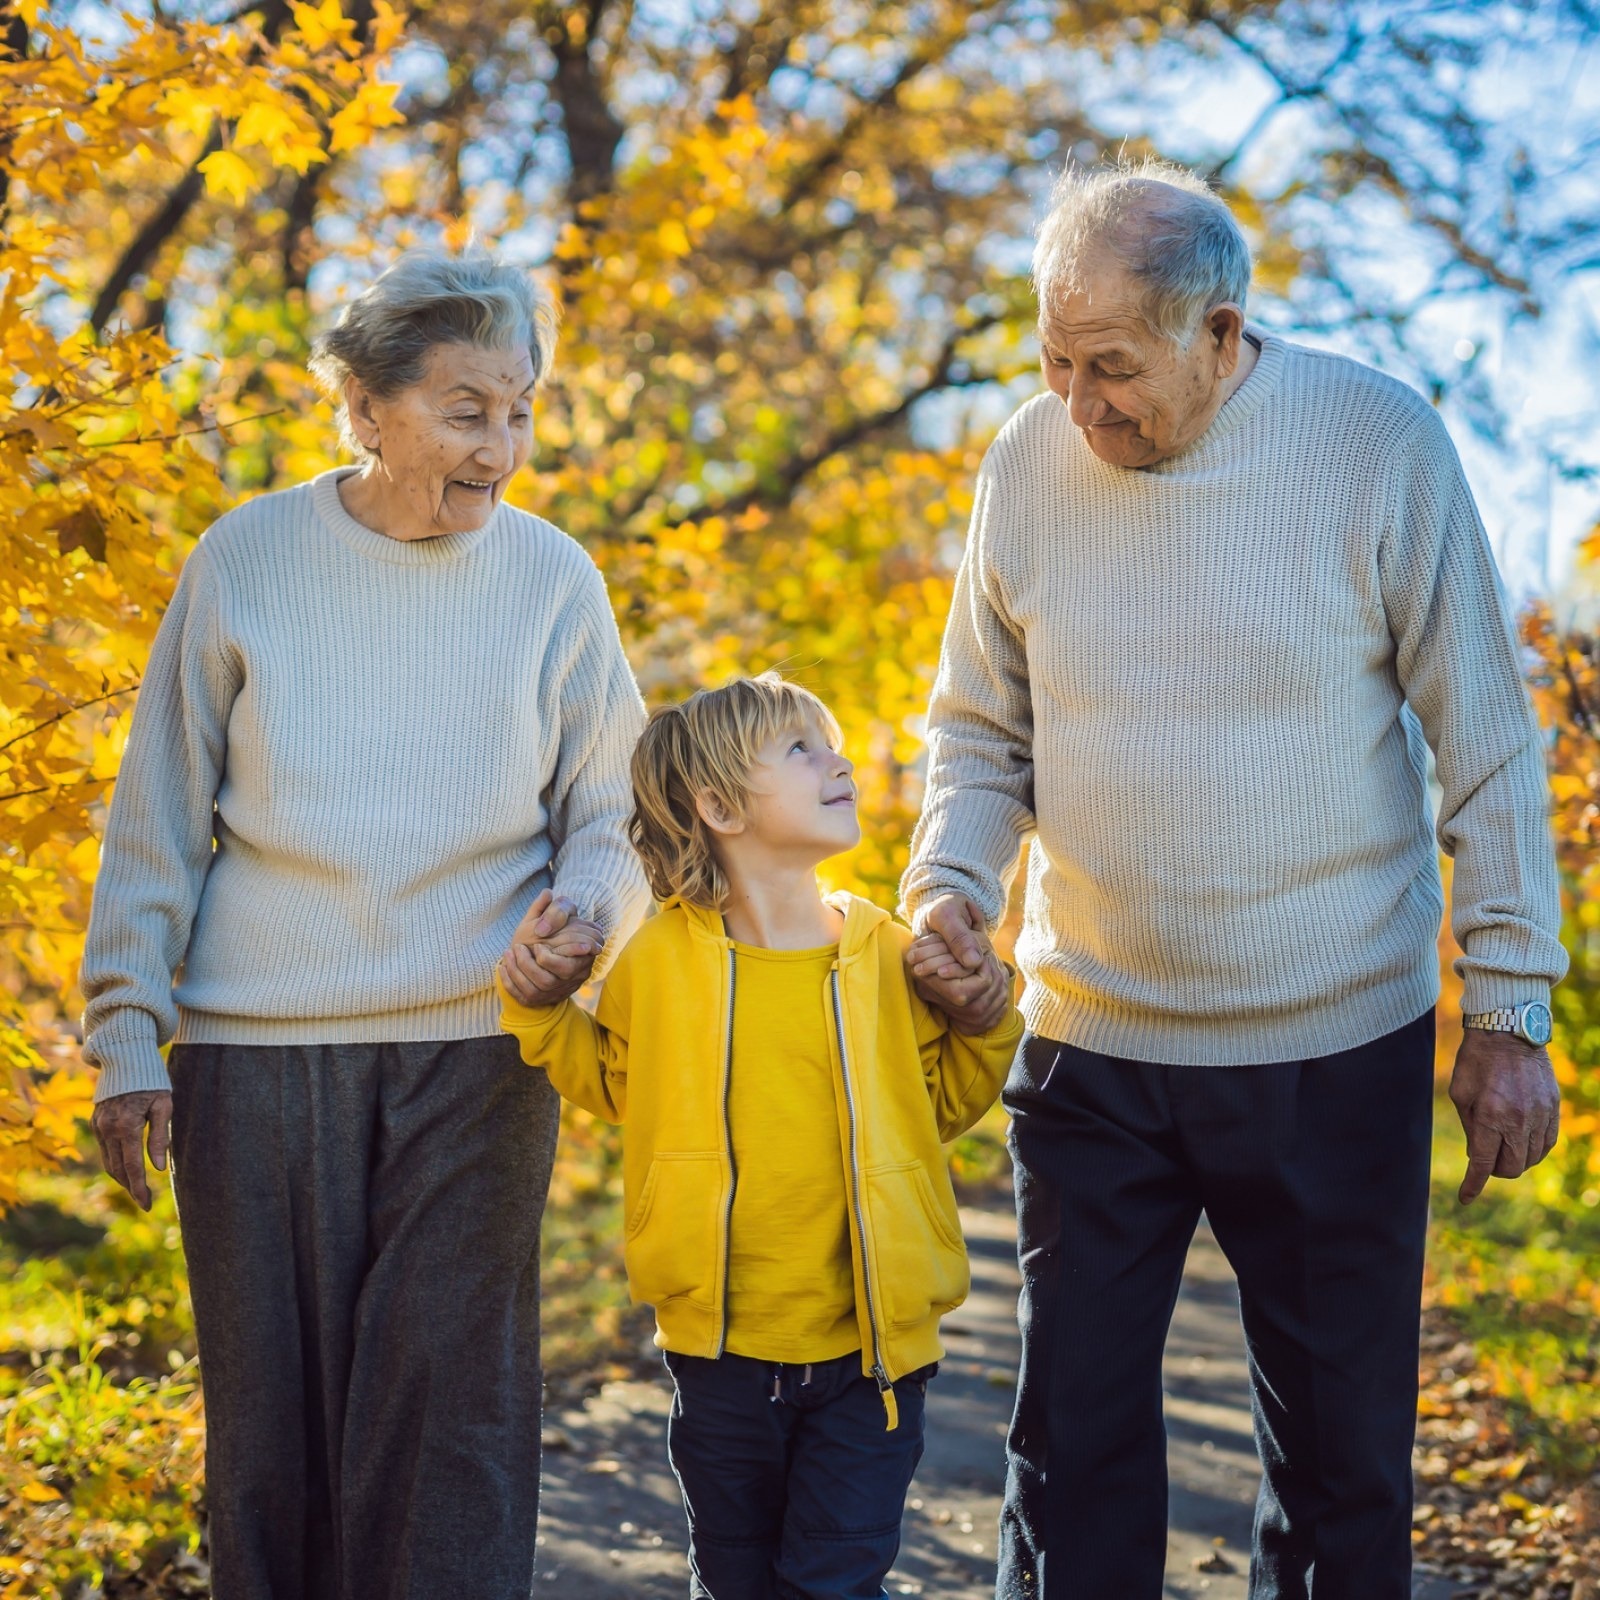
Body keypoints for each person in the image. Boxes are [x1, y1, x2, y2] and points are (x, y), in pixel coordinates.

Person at [901, 159, 1568, 1600]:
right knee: (1065, 1459)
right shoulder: (1025, 462)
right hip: (1091, 1041)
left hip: (1335, 1047)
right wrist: (947, 882)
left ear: (1218, 331)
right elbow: (979, 727)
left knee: (1339, 1475)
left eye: (1112, 368)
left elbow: (1487, 740)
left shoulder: (1375, 444)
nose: (1080, 404)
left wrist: (1511, 1008)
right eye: (1055, 361)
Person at [79, 247, 650, 1600]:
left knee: (450, 1421)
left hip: (481, 1045)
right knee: (270, 1437)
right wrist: (126, 1032)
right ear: (364, 407)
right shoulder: (248, 559)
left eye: (518, 411)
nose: (500, 448)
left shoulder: (552, 577)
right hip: (257, 1056)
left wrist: (582, 921)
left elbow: (615, 807)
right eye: (465, 411)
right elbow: (160, 809)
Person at [500, 673, 1023, 1599]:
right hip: (720, 1360)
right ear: (719, 807)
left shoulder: (886, 953)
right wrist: (540, 1013)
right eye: (800, 750)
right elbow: (616, 1082)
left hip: (873, 1362)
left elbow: (937, 1106)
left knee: (835, 1583)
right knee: (734, 1582)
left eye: (832, 744)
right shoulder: (659, 960)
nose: (838, 762)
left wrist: (984, 1026)